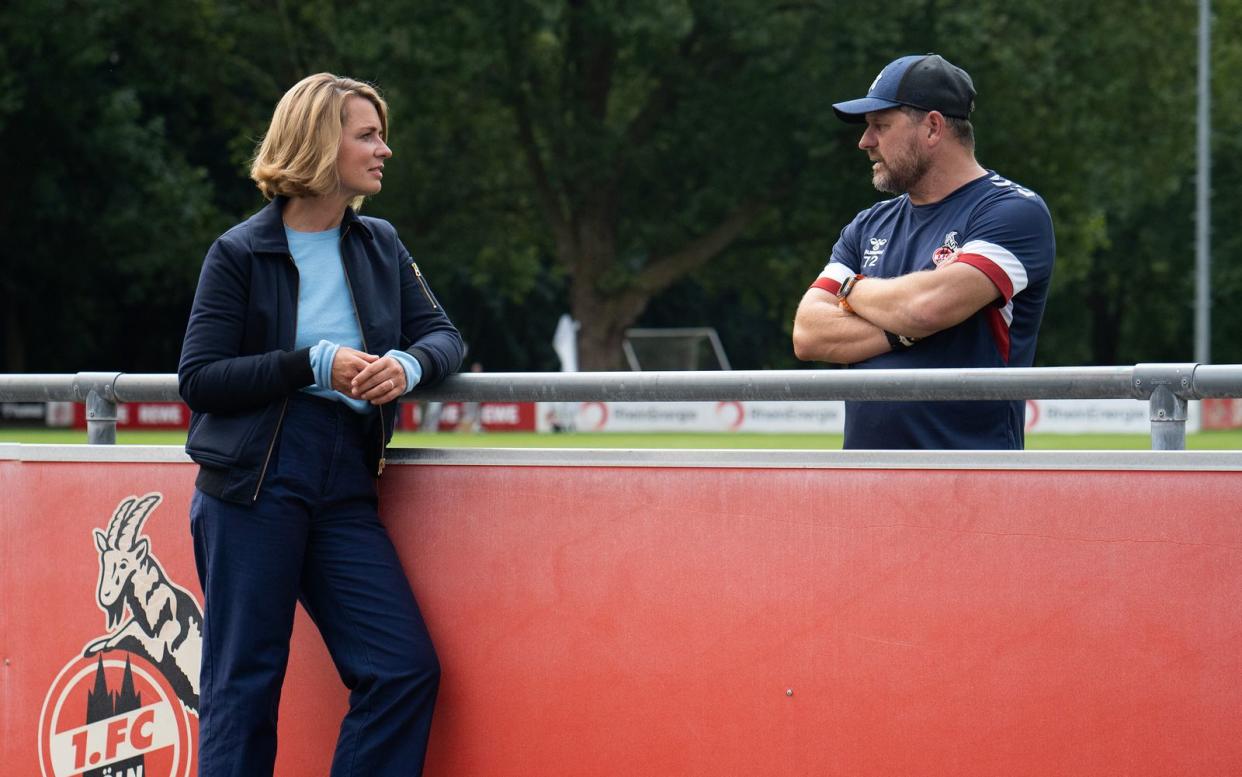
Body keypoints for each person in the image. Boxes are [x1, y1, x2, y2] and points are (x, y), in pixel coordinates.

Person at [178, 73, 464, 775]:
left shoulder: (380, 243)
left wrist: (405, 365)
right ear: (316, 143)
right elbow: (201, 378)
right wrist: (311, 363)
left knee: (402, 668)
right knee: (241, 692)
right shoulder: (239, 252)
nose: (384, 149)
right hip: (252, 484)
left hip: (344, 484)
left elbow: (445, 336)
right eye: (367, 134)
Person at [792, 53, 1054, 449]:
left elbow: (927, 308)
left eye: (880, 125)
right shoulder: (868, 224)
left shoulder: (1013, 211)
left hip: (972, 483)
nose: (865, 142)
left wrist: (850, 290)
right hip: (866, 483)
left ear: (933, 128)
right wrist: (905, 333)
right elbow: (808, 333)